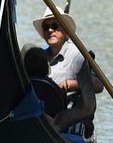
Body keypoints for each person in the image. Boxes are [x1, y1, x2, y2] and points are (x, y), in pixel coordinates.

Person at [32, 7, 103, 135]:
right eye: (46, 27)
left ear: (64, 29)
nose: (50, 30)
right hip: (43, 113)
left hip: (70, 116)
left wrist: (70, 84)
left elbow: (98, 85)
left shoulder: (78, 55)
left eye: (54, 25)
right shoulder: (39, 57)